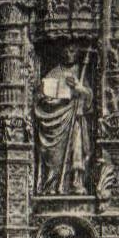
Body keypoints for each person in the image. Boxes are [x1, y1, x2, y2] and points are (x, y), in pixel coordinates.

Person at [34, 46, 92, 194]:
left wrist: (80, 88)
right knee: (54, 155)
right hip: (55, 120)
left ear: (77, 53)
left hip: (74, 118)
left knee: (76, 149)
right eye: (65, 50)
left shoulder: (80, 72)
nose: (68, 54)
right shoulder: (54, 73)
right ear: (60, 52)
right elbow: (40, 97)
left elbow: (89, 96)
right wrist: (51, 99)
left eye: (72, 51)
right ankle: (52, 184)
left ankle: (75, 182)